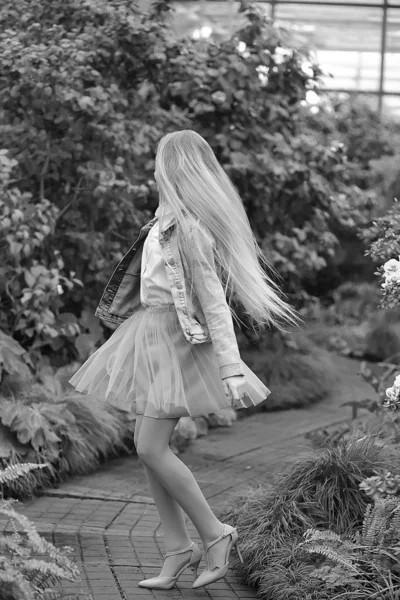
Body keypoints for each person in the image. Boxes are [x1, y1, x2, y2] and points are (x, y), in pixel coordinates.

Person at [68, 130, 302, 590]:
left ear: (174, 169)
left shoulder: (190, 230)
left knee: (149, 447)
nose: (154, 169)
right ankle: (178, 548)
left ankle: (215, 533)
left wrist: (231, 367)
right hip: (150, 333)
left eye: (159, 161)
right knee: (149, 450)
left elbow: (214, 302)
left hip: (178, 340)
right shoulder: (160, 222)